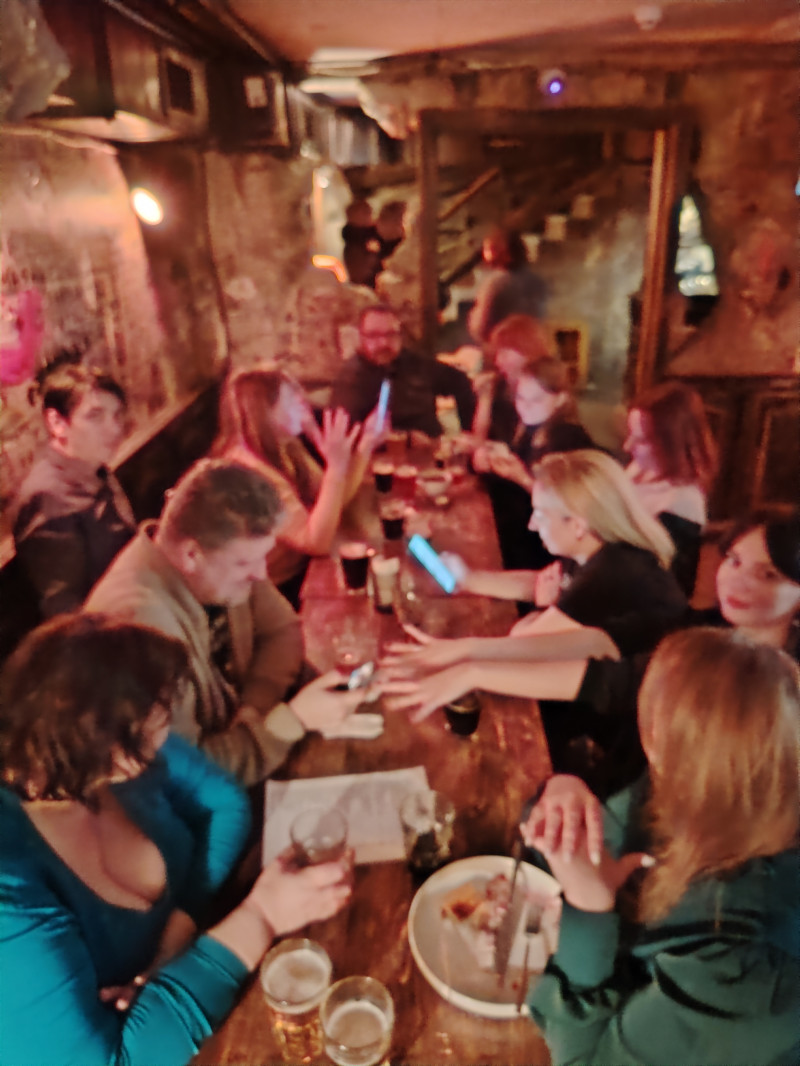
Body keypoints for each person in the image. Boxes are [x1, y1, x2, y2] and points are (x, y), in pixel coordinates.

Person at [0, 614, 353, 1066]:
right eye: (157, 719)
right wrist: (260, 917)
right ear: (97, 740)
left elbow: (225, 802)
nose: (166, 730)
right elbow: (116, 1060)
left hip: (203, 988)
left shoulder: (121, 745)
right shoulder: (11, 888)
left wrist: (176, 939)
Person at [521, 627, 800, 1066]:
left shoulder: (741, 971)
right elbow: (563, 846)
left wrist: (590, 908)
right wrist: (562, 790)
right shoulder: (695, 791)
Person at [383, 450, 686, 792]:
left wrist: (539, 613)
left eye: (540, 514)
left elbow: (524, 642)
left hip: (630, 741)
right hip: (608, 699)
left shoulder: (613, 572)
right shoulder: (599, 549)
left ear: (578, 524)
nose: (531, 524)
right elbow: (539, 583)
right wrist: (468, 579)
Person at [85, 459, 356, 785]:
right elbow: (185, 777)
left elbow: (281, 630)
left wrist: (253, 709)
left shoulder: (222, 563)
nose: (260, 573)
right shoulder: (137, 629)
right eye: (245, 563)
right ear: (191, 555)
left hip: (246, 758)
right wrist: (289, 723)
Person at [211, 366, 381, 606]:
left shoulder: (285, 446)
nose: (304, 406)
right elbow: (315, 541)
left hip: (301, 572)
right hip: (270, 592)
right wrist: (336, 467)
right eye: (292, 400)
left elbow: (333, 501)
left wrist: (364, 446)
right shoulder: (249, 473)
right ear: (266, 411)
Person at [11, 353, 135, 618]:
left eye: (116, 415)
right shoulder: (48, 498)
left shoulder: (94, 467)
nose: (114, 429)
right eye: (95, 417)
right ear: (57, 423)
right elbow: (65, 611)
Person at [474, 347, 596, 575]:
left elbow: (566, 508)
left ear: (561, 399)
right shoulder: (533, 429)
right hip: (515, 534)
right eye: (521, 398)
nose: (525, 406)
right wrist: (491, 464)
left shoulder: (567, 438)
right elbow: (513, 479)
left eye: (537, 399)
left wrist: (520, 477)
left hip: (542, 553)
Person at [624, 380, 718, 596]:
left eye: (642, 440)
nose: (627, 446)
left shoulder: (682, 503)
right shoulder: (639, 468)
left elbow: (674, 586)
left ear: (673, 443)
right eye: (630, 434)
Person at [331, 304, 476, 437]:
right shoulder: (351, 380)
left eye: (391, 334)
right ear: (361, 337)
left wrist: (468, 434)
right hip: (384, 453)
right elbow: (347, 434)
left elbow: (460, 382)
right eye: (374, 335)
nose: (384, 343)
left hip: (433, 450)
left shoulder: (414, 363)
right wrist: (408, 438)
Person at [467, 226, 547, 345]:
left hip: (499, 347)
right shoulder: (537, 282)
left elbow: (479, 327)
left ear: (507, 253)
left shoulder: (495, 283)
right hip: (529, 347)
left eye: (490, 249)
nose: (485, 255)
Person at [341, 198, 381, 288]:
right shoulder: (356, 241)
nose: (371, 216)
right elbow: (360, 273)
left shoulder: (367, 237)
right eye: (366, 213)